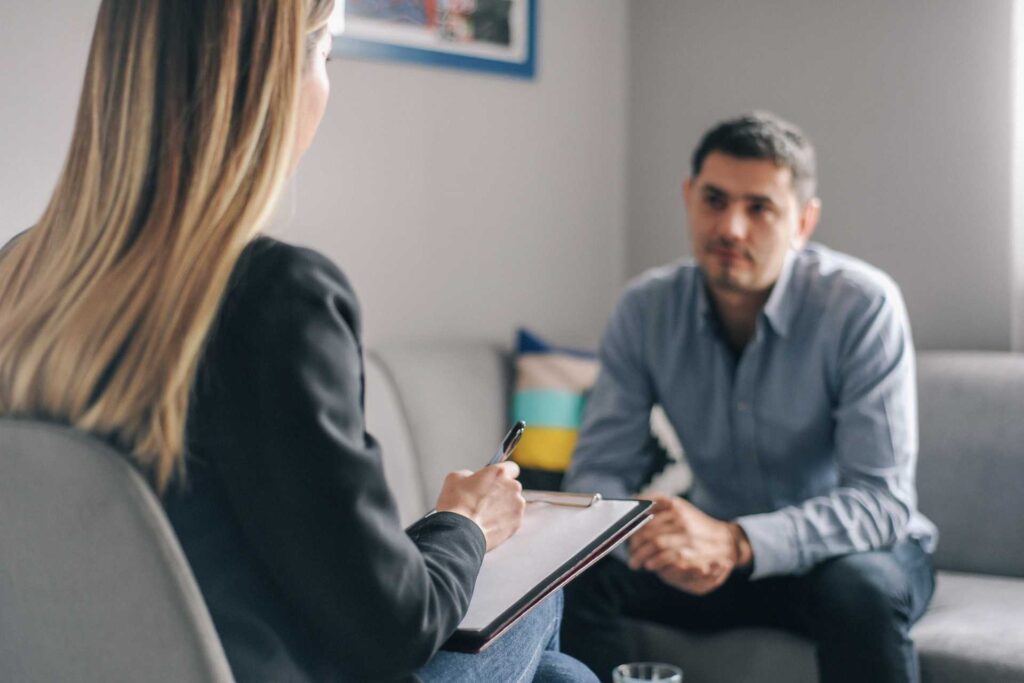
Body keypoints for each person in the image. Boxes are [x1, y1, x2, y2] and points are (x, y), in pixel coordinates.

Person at [0, 1, 595, 681]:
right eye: (327, 53)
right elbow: (397, 627)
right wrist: (464, 520)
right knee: (541, 584)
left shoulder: (19, 280)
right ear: (273, 75)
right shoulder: (271, 299)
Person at [560, 112, 937, 683]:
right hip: (710, 553)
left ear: (803, 222)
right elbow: (596, 478)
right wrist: (660, 540)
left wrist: (736, 542)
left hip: (844, 555)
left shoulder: (861, 306)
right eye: (714, 199)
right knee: (575, 575)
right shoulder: (645, 309)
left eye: (759, 208)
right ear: (688, 198)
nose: (731, 228)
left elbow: (881, 502)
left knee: (859, 591)